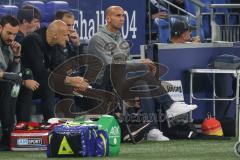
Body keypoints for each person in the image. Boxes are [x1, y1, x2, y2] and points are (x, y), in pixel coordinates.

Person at [21, 20, 89, 123]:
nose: (67, 39)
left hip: (41, 83)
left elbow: (57, 69)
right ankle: (50, 123)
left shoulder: (54, 43)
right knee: (50, 85)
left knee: (67, 86)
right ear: (55, 35)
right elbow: (40, 72)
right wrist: (68, 79)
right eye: (65, 35)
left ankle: (72, 123)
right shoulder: (33, 40)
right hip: (26, 83)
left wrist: (73, 80)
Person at [15, 5, 41, 123]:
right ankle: (23, 127)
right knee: (27, 87)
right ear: (25, 22)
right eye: (35, 21)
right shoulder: (18, 39)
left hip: (24, 76)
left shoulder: (30, 38)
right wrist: (25, 80)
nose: (38, 26)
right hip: (15, 79)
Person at [0, 15, 22, 151]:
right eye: (9, 33)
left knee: (16, 84)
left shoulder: (9, 46)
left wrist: (17, 57)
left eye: (14, 34)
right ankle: (7, 133)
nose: (12, 38)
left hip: (3, 85)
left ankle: (9, 131)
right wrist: (10, 75)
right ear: (0, 28)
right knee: (13, 83)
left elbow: (14, 72)